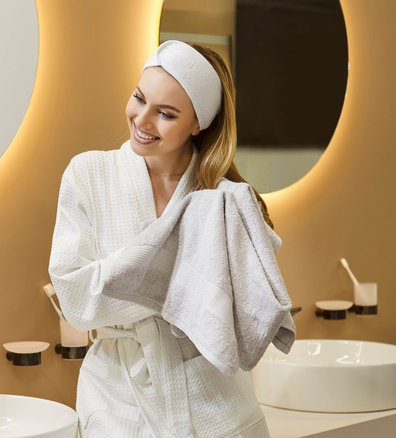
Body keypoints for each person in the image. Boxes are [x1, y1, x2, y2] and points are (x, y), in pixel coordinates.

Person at [49, 41, 295, 437]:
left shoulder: (222, 198)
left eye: (165, 113)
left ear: (197, 124)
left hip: (216, 404)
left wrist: (149, 279)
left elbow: (248, 304)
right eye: (139, 98)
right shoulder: (88, 175)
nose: (142, 120)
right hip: (118, 399)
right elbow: (76, 298)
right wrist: (178, 280)